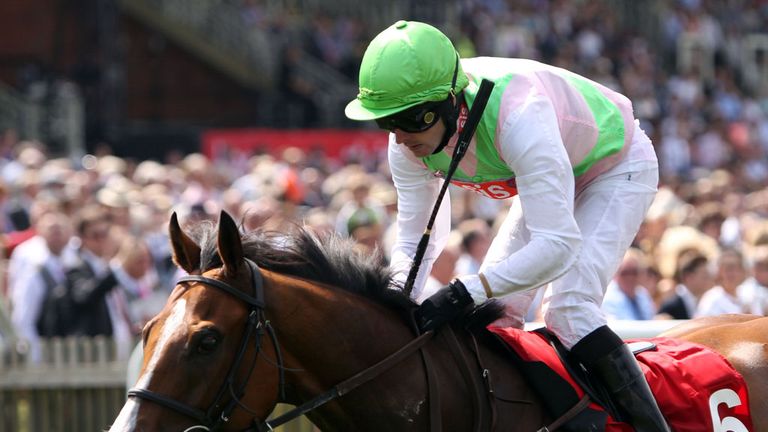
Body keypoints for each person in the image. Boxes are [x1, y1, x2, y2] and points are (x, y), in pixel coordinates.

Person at [344, 21, 666, 431]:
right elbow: (416, 238)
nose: (399, 138)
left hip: (616, 166)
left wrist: (462, 291)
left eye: (407, 120)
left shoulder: (518, 115)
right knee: (491, 315)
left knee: (568, 311)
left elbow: (558, 246)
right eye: (385, 122)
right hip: (557, 171)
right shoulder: (406, 144)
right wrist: (393, 303)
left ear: (446, 103)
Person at [602, 248, 657, 320]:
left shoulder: (642, 294)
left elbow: (649, 320)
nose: (630, 278)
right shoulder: (608, 298)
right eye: (625, 272)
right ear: (615, 274)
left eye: (634, 272)